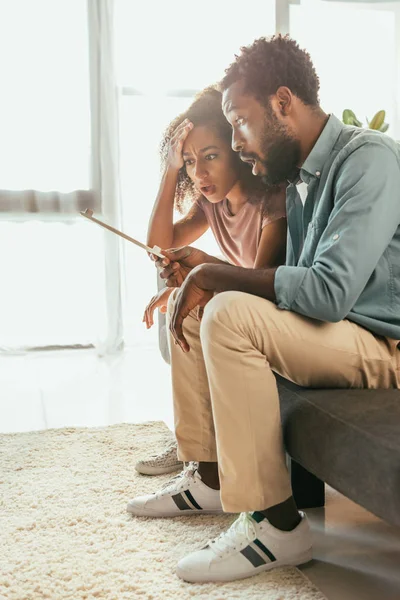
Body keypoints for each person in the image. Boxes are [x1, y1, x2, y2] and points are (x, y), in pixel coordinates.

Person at [128, 35, 400, 584]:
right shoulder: (296, 180)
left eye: (240, 122)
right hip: (334, 334)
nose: (236, 141)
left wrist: (216, 273)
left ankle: (277, 524)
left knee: (226, 309)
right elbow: (287, 287)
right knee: (202, 305)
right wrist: (199, 277)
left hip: (381, 345)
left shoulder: (368, 160)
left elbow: (326, 293)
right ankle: (208, 476)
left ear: (282, 102)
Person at [135, 87, 286, 476]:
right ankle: (196, 451)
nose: (198, 174)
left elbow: (262, 284)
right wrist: (170, 169)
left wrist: (202, 270)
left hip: (273, 316)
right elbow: (158, 245)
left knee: (187, 306)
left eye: (210, 157)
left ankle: (203, 458)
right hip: (239, 309)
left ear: (237, 148)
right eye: (189, 162)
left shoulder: (272, 200)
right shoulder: (211, 205)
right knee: (180, 305)